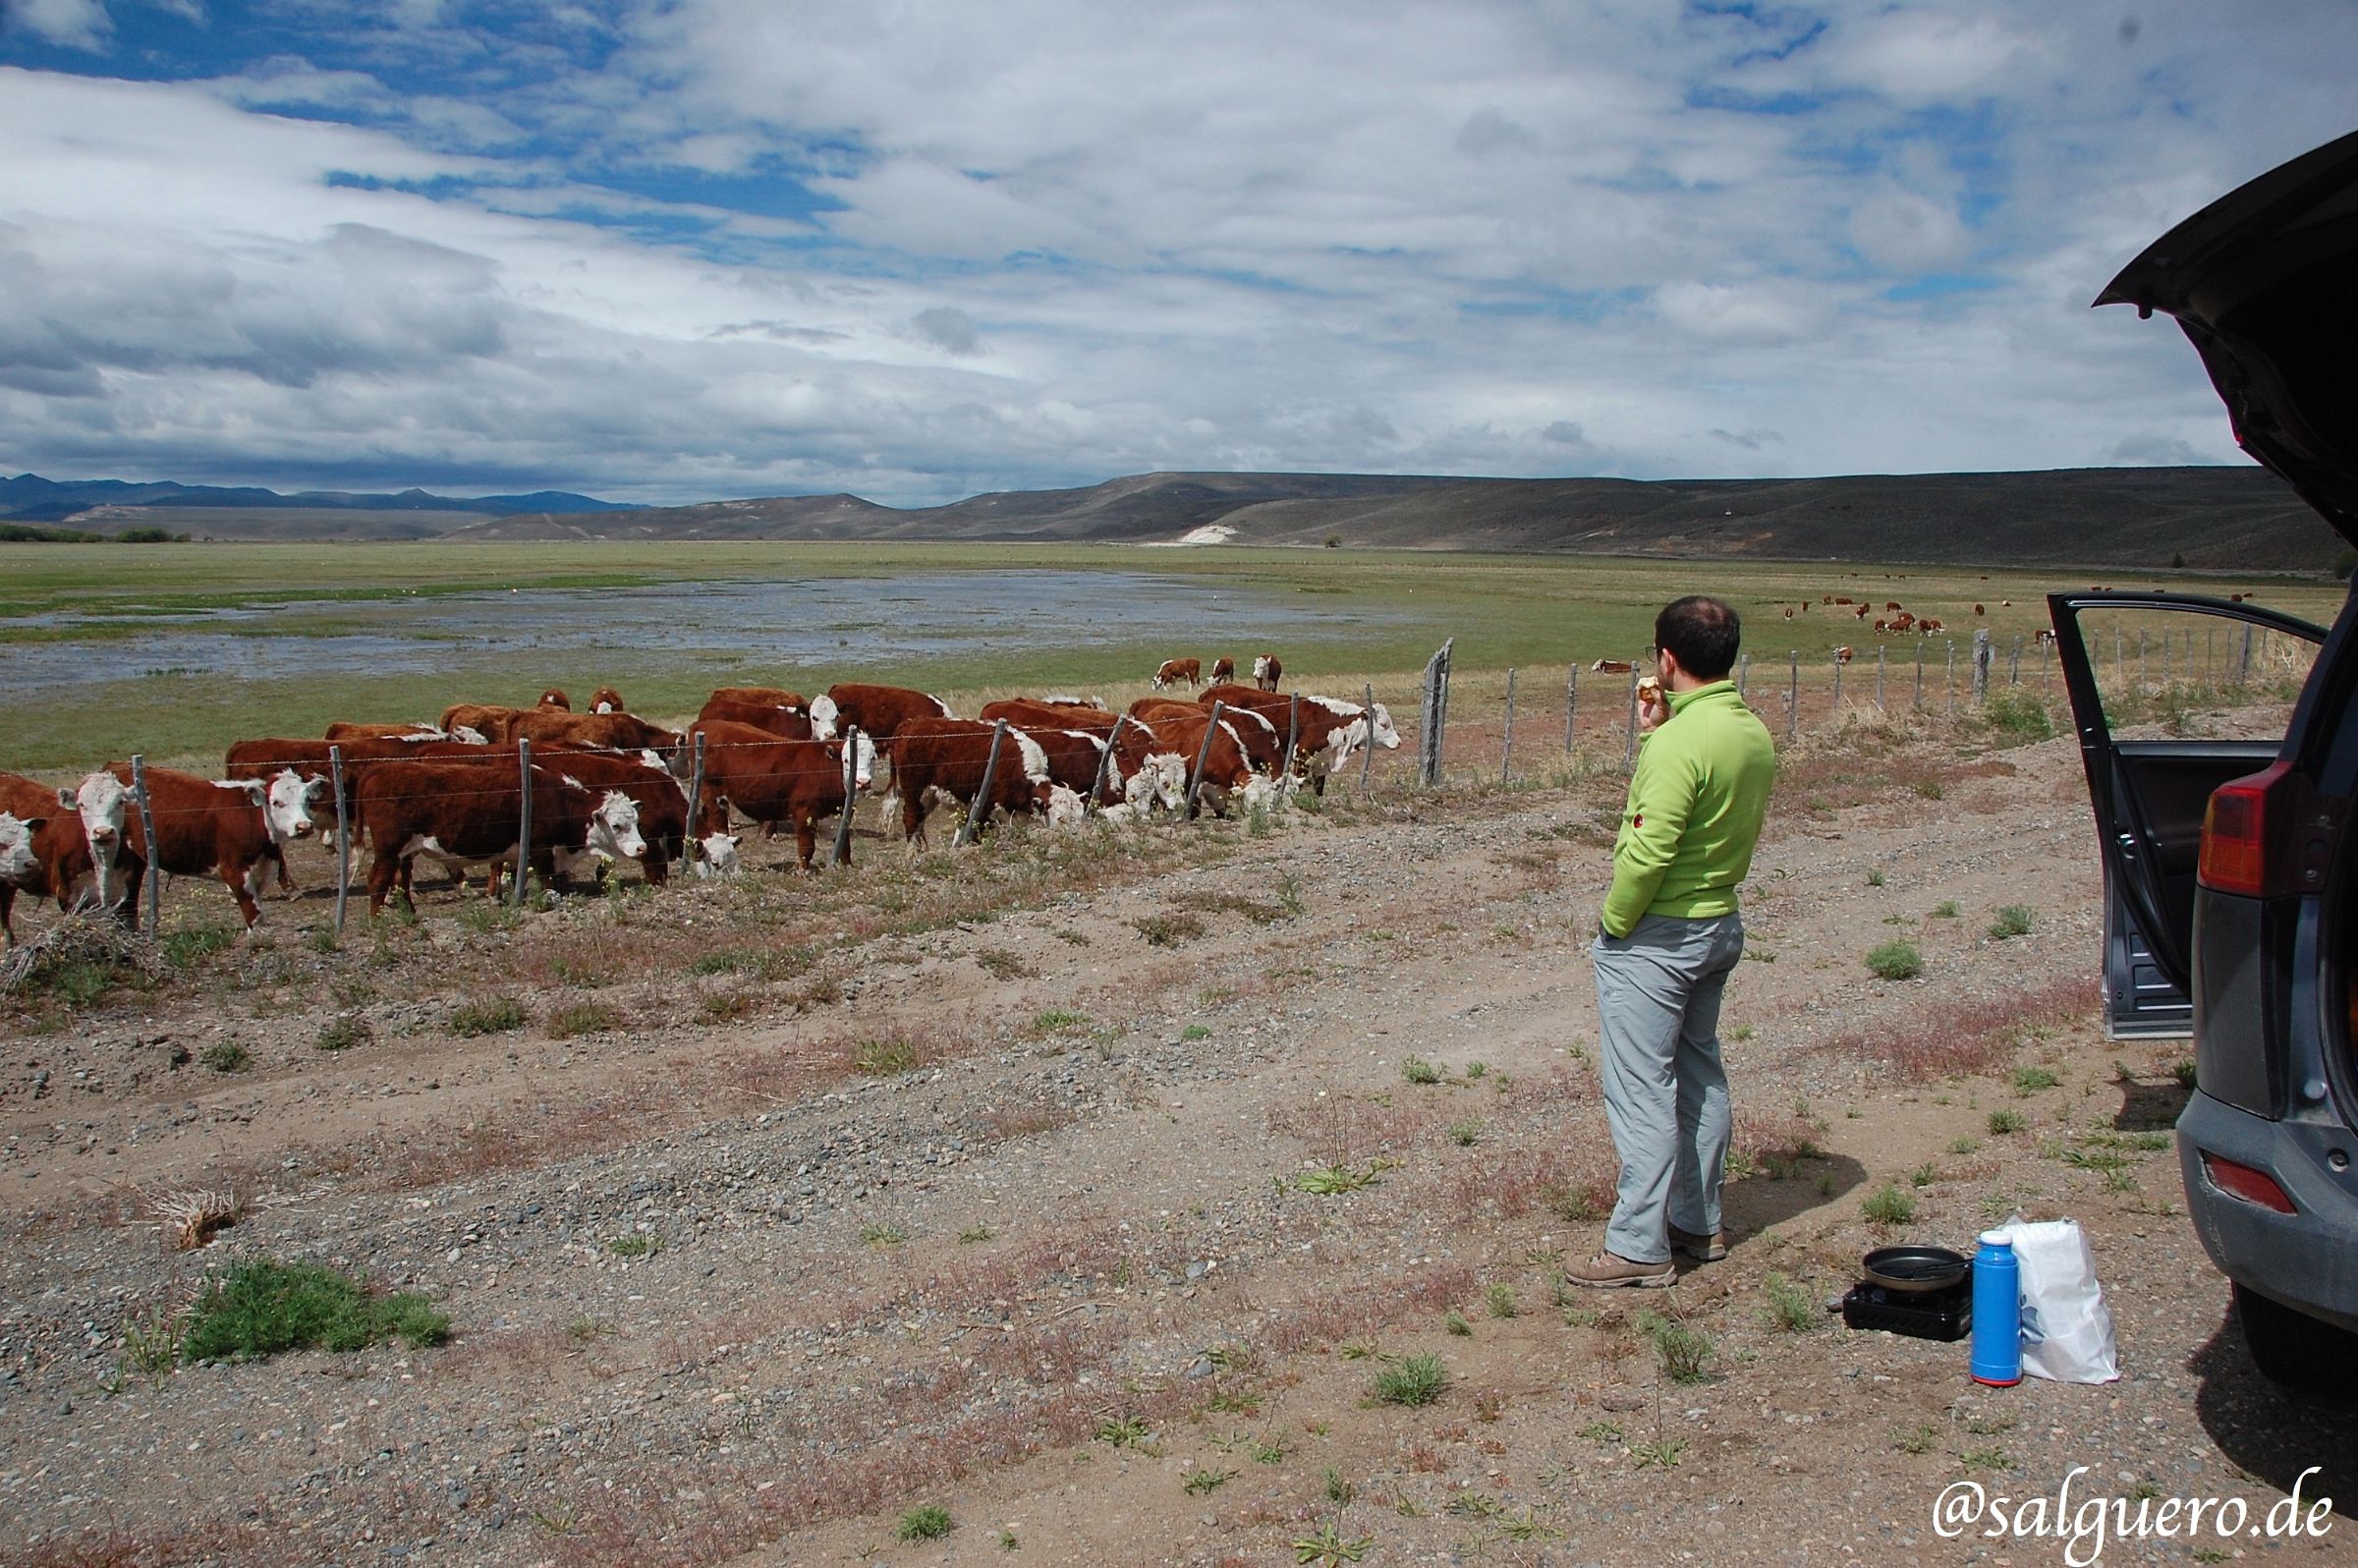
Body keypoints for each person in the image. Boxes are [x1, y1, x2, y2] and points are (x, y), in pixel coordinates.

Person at [1565, 595, 1776, 1288]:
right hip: (1719, 921)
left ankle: (1636, 1246)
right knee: (1698, 1073)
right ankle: (1698, 1220)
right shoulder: (1750, 732)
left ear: (1666, 658)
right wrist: (1659, 729)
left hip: (1658, 936)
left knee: (1641, 1088)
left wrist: (1616, 922)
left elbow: (1650, 851)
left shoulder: (1678, 744)